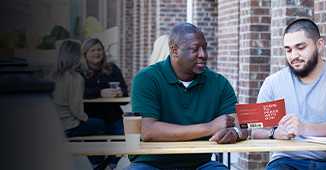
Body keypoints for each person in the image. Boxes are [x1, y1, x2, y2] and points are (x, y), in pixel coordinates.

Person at [129, 23, 245, 170]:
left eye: (205, 48)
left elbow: (242, 123)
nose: (203, 54)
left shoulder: (218, 83)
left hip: (199, 164)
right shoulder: (147, 78)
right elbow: (148, 130)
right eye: (195, 49)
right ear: (174, 50)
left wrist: (235, 132)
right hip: (150, 163)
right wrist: (210, 127)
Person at [249, 19, 326, 170]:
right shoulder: (272, 83)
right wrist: (274, 133)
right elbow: (255, 131)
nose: (293, 55)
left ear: (319, 45)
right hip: (286, 161)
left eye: (300, 47)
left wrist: (303, 128)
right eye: (288, 50)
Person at [51, 40, 109, 169]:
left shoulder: (53, 76)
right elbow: (76, 109)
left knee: (94, 124)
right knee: (100, 124)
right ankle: (97, 163)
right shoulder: (76, 78)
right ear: (77, 56)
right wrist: (85, 118)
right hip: (70, 127)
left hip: (55, 125)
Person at [81, 38, 127, 134]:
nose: (97, 53)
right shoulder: (80, 72)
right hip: (90, 117)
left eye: (99, 50)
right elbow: (78, 93)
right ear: (85, 53)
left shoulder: (112, 69)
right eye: (92, 50)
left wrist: (120, 92)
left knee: (128, 135)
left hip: (114, 116)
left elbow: (125, 91)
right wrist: (100, 93)